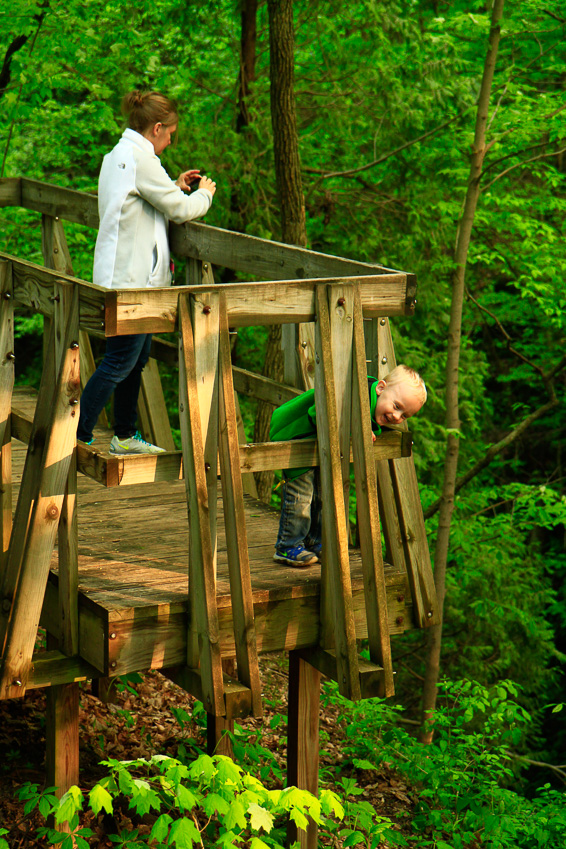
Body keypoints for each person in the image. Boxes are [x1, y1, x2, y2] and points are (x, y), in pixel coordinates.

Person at [77, 90, 217, 454]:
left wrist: (173, 186)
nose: (170, 141)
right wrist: (203, 194)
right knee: (119, 362)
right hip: (133, 283)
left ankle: (124, 435)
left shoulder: (118, 155)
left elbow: (140, 198)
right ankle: (76, 435)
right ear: (156, 128)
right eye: (170, 134)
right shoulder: (141, 160)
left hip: (122, 275)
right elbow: (181, 211)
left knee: (133, 361)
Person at [270, 364, 427, 567]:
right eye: (397, 406)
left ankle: (313, 542)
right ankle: (287, 546)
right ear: (380, 388)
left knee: (321, 497)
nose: (397, 417)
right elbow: (318, 414)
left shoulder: (373, 405)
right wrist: (355, 428)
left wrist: (366, 428)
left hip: (319, 452)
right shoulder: (354, 394)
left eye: (404, 415)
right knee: (301, 499)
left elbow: (366, 424)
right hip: (295, 442)